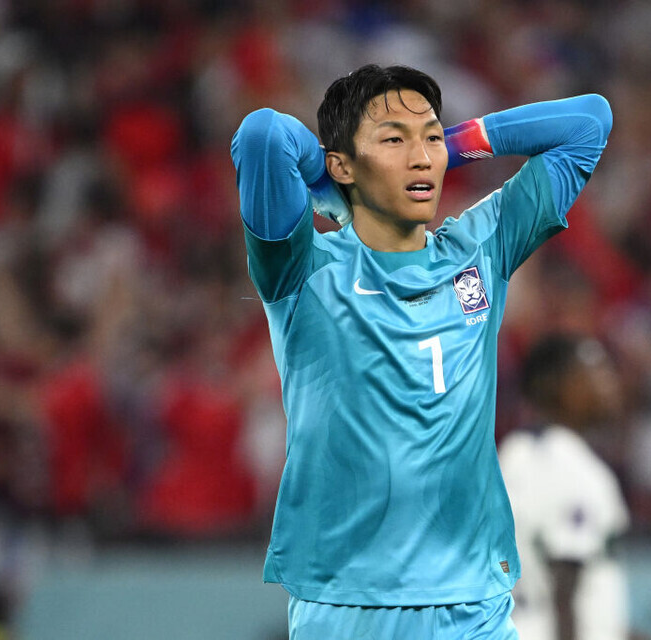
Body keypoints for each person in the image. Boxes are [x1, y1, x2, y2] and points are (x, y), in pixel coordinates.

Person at [231, 64, 612, 639]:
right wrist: (335, 193)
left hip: (474, 605)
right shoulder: (305, 270)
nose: (420, 157)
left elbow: (589, 122)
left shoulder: (481, 248)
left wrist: (451, 148)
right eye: (393, 140)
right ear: (342, 162)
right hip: (348, 606)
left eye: (430, 136)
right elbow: (262, 134)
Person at [499, 335, 630, 640]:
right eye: (595, 371)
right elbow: (565, 585)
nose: (609, 383)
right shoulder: (571, 464)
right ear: (553, 385)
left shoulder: (515, 451)